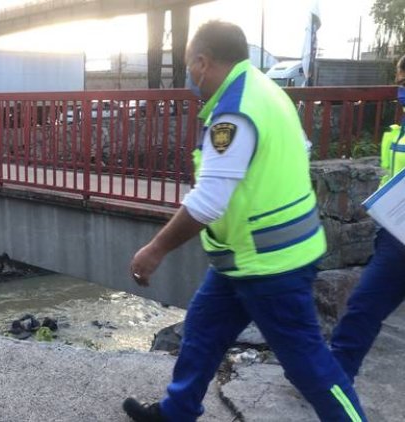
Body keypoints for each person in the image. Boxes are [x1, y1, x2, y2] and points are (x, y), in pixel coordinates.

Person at [122, 21, 367, 422]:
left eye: (188, 66)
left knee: (308, 364)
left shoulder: (233, 113)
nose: (189, 76)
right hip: (244, 256)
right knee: (202, 332)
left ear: (202, 62)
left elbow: (208, 203)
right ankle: (176, 412)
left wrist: (155, 249)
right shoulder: (263, 88)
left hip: (269, 263)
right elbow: (294, 154)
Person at [330, 55, 405, 382]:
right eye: (400, 84)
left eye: (404, 83)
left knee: (364, 307)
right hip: (395, 236)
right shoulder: (398, 130)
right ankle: (333, 380)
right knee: (363, 306)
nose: (400, 91)